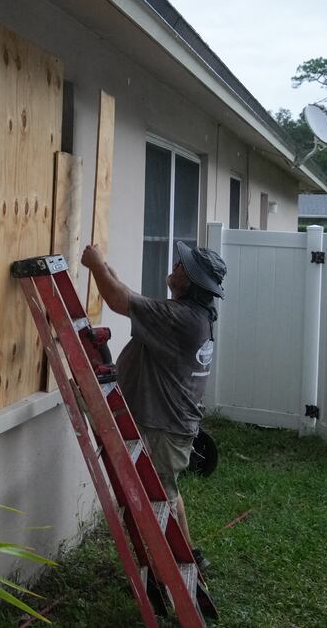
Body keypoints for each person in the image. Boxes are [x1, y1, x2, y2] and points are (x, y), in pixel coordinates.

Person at [80, 240, 227, 571]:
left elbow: (120, 300)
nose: (175, 267)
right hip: (170, 425)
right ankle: (189, 553)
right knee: (169, 490)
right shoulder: (193, 316)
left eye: (181, 267)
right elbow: (129, 296)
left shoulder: (180, 319)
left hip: (164, 428)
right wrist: (104, 266)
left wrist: (95, 266)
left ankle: (174, 566)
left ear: (191, 282)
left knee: (161, 497)